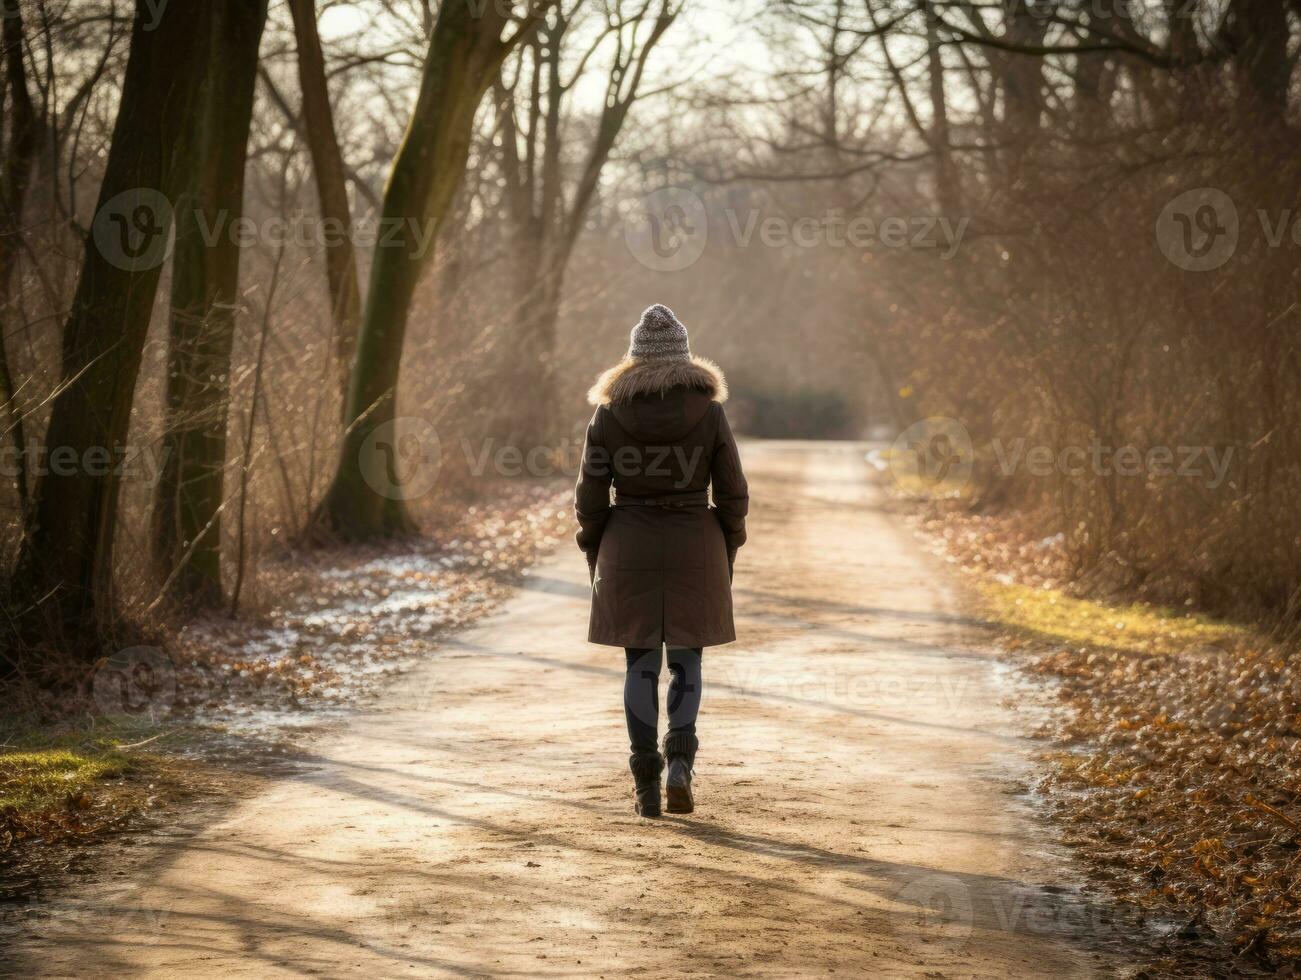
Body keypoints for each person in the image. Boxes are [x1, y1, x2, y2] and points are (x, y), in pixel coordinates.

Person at [575, 304, 749, 817]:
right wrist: (727, 542)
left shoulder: (608, 414)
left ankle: (646, 784)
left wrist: (596, 547)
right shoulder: (709, 412)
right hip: (696, 542)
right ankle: (680, 765)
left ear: (633, 359)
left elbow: (589, 495)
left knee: (641, 663)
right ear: (684, 356)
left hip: (629, 543)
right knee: (688, 660)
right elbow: (734, 491)